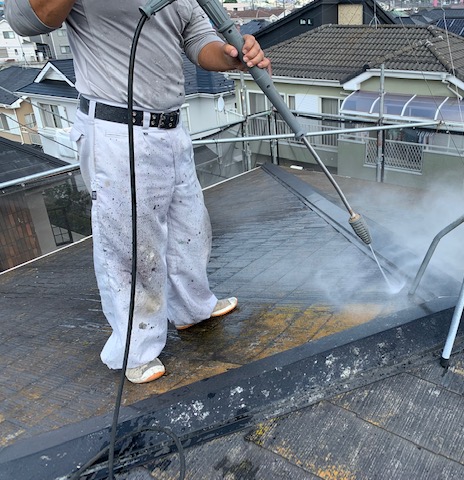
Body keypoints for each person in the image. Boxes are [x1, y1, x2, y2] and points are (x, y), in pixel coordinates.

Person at [6, 0, 270, 383]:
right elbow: (26, 19)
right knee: (133, 249)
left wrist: (231, 57)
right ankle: (136, 349)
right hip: (117, 130)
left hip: (172, 127)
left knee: (189, 228)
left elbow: (199, 40)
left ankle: (192, 308)